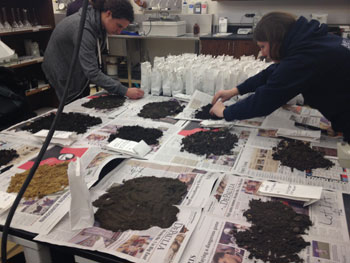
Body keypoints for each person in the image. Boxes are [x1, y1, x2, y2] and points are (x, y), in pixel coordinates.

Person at [210, 12, 350, 142]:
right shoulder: (310, 41)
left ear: (275, 40)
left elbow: (266, 99)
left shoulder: (305, 57)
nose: (263, 53)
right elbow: (274, 72)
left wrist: (226, 112)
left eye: (262, 46)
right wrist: (236, 90)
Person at [42, 0, 144, 104]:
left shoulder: (99, 22)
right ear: (108, 14)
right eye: (119, 26)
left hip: (75, 66)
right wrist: (125, 91)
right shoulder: (83, 28)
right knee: (73, 105)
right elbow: (92, 72)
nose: (119, 32)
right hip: (61, 68)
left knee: (83, 100)